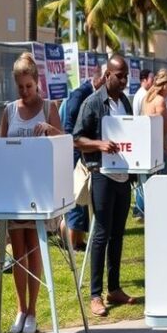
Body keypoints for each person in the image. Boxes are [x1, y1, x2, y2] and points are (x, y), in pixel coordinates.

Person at [0, 53, 64, 333]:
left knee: (34, 249)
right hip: (14, 188)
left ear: (37, 82)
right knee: (17, 251)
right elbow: (0, 148)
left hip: (39, 189)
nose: (25, 92)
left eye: (29, 86)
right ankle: (20, 308)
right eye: (21, 87)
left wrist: (51, 129)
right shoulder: (9, 110)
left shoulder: (49, 107)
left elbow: (63, 142)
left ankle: (33, 311)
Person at [73, 54, 139, 317]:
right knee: (100, 232)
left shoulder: (124, 101)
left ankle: (114, 288)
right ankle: (95, 295)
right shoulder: (92, 103)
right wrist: (99, 145)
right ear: (107, 75)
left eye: (126, 76)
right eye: (119, 75)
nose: (124, 80)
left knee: (117, 233)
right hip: (101, 173)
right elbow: (76, 138)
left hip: (123, 175)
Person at [61, 63, 105, 251]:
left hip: (81, 151)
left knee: (82, 197)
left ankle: (78, 240)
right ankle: (72, 241)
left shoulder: (90, 94)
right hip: (75, 152)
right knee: (76, 196)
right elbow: (70, 126)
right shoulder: (81, 95)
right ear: (99, 79)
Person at [143, 69, 167, 174]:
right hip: (162, 147)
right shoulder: (160, 101)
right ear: (164, 85)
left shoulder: (147, 98)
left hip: (150, 147)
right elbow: (165, 128)